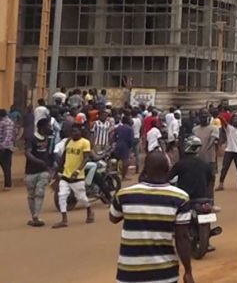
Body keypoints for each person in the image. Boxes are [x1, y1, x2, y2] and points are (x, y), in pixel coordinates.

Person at [110, 151, 195, 283]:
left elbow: (113, 218)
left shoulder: (124, 195)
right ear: (168, 169)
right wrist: (188, 271)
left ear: (145, 169)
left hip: (129, 274)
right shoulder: (180, 198)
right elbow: (182, 238)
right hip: (164, 274)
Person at [53, 118, 95, 228]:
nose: (74, 133)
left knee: (81, 198)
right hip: (66, 175)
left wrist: (77, 171)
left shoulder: (85, 143)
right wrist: (58, 170)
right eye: (72, 131)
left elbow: (86, 158)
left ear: (81, 132)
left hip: (77, 176)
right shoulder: (68, 141)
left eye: (76, 131)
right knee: (62, 195)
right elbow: (63, 157)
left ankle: (89, 210)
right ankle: (64, 219)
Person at [25, 118, 55, 226]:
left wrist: (50, 166)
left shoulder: (49, 138)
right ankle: (34, 217)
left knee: (40, 193)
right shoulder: (32, 139)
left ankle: (36, 216)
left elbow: (51, 154)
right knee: (31, 195)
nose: (49, 128)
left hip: (44, 171)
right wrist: (39, 162)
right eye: (48, 126)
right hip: (31, 171)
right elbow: (27, 153)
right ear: (41, 127)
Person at [192, 109, 220, 199]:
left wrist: (205, 148)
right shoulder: (195, 130)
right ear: (199, 118)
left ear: (208, 117)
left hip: (210, 160)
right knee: (198, 181)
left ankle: (210, 202)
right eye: (201, 116)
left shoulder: (214, 128)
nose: (203, 118)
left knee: (210, 182)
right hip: (197, 160)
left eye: (205, 116)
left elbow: (212, 140)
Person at [218, 114, 237, 190]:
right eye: (234, 119)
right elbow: (223, 120)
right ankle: (221, 184)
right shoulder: (229, 128)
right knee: (225, 167)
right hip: (229, 150)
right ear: (231, 120)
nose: (235, 120)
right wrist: (220, 116)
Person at [0, 109, 15, 190]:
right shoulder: (6, 121)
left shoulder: (6, 122)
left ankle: (8, 185)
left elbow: (7, 136)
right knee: (7, 167)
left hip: (5, 149)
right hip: (5, 148)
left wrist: (2, 146)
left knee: (6, 167)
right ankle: (7, 185)